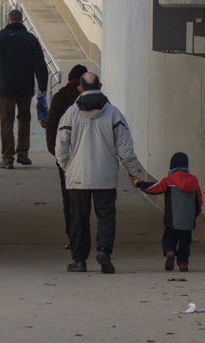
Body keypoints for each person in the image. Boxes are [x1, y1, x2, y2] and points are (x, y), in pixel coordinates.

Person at [54, 72, 145, 274]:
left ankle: (79, 260)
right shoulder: (113, 114)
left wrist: (67, 167)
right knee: (106, 215)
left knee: (79, 218)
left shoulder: (70, 114)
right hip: (105, 176)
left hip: (78, 176)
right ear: (100, 86)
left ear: (80, 88)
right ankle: (104, 251)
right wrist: (133, 172)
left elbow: (61, 147)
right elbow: (125, 148)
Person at [0, 8, 48, 169]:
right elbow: (40, 63)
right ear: (22, 21)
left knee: (6, 121)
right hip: (25, 87)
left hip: (6, 88)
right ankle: (23, 154)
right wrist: (42, 85)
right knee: (24, 119)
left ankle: (8, 157)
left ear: (8, 20)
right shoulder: (30, 39)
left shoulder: (0, 38)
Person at [135, 152, 203, 272]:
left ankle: (170, 252)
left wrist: (141, 185)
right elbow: (199, 201)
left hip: (172, 220)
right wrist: (194, 215)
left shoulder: (169, 180)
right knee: (185, 243)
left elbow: (155, 188)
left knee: (168, 238)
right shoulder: (193, 181)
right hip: (187, 222)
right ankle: (183, 264)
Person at [44, 64, 90, 239]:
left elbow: (52, 128)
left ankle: (72, 234)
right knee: (86, 199)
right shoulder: (96, 100)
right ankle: (83, 232)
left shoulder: (60, 97)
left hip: (66, 156)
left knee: (68, 198)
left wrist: (56, 153)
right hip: (88, 157)